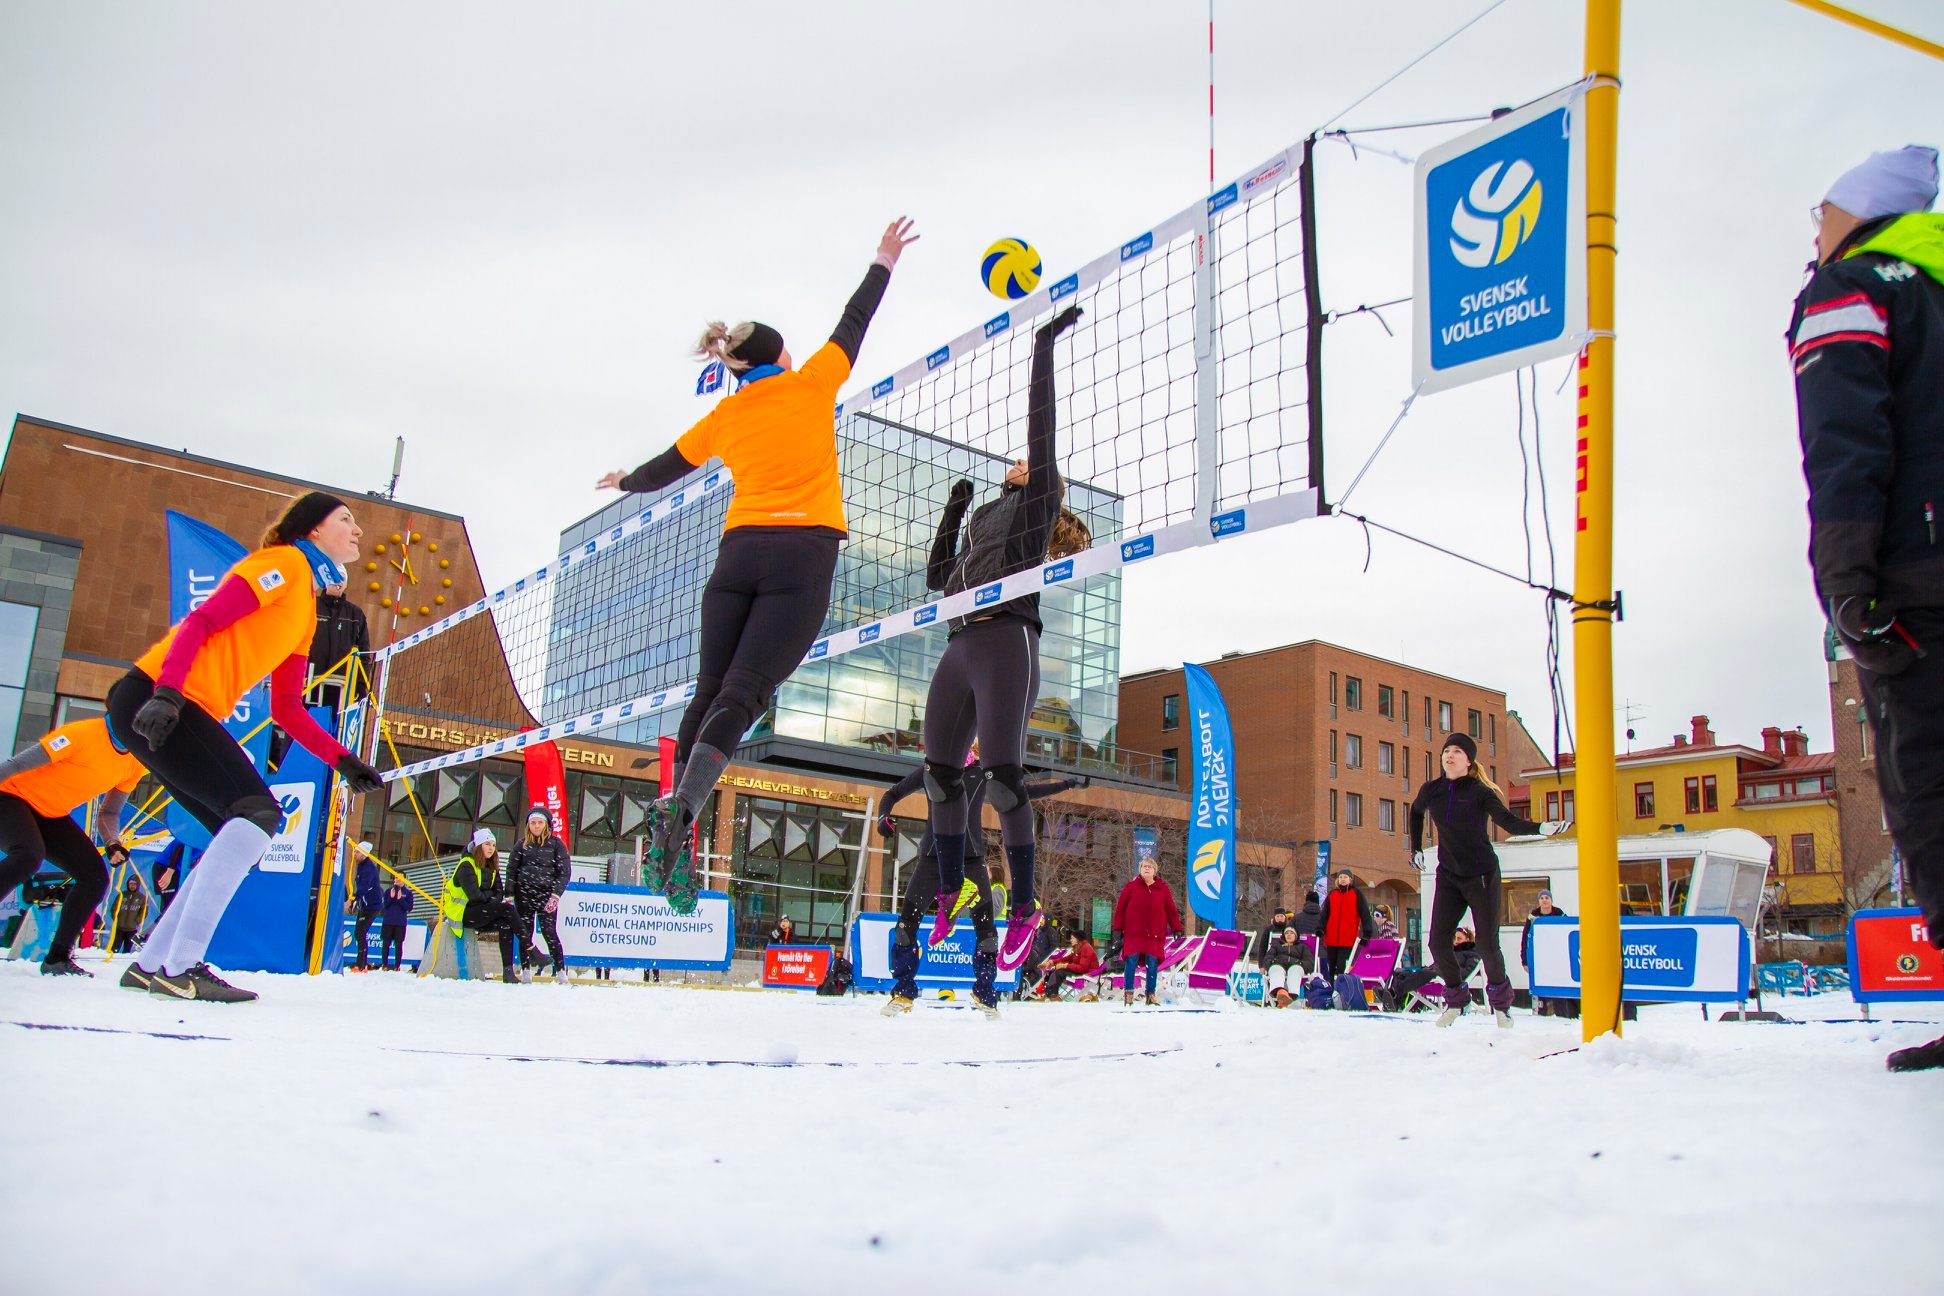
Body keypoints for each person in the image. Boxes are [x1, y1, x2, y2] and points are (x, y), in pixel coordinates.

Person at [598, 218, 919, 917]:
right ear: (782, 354)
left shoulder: (725, 417)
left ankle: (671, 817)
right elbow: (854, 321)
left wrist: (625, 482)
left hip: (737, 554)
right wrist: (883, 260)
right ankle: (680, 816)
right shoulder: (811, 383)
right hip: (800, 556)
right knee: (742, 697)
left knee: (710, 690)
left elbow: (661, 469)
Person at [1790, 145, 1944, 1074]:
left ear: (1862, 215)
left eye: (1822, 212)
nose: (1813, 231)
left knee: (1925, 790)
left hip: (1918, 576)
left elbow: (1844, 444)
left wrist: (1847, 583)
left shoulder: (1852, 288)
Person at [108, 492, 385, 1002]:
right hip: (159, 696)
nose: (358, 531)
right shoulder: (282, 564)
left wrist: (342, 761)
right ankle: (182, 965)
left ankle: (150, 965)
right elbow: (201, 622)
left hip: (173, 705)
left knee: (235, 827)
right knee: (257, 812)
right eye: (347, 519)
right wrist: (167, 694)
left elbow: (286, 707)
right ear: (313, 529)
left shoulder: (305, 606)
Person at [918, 304, 1089, 965]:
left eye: (1027, 463)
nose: (1018, 461)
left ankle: (1023, 906)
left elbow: (1041, 431)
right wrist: (956, 508)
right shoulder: (986, 515)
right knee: (939, 774)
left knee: (1002, 776)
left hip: (1006, 642)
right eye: (1016, 462)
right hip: (958, 644)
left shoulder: (1036, 507)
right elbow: (940, 578)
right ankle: (957, 886)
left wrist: (1042, 346)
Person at [875, 759, 1084, 1018]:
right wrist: (882, 816)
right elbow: (892, 793)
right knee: (905, 929)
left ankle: (985, 993)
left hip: (971, 861)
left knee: (987, 935)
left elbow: (1022, 793)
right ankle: (903, 991)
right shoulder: (933, 769)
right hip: (932, 859)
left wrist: (1064, 785)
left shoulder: (983, 773)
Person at [1409, 732, 1566, 1028]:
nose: (1449, 756)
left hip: (1482, 875)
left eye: (1457, 751)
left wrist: (1541, 827)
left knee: (1487, 944)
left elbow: (1508, 822)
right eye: (1446, 751)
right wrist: (1415, 847)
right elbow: (1415, 812)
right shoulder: (1432, 790)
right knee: (1437, 942)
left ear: (1468, 761)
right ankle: (1457, 999)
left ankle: (1501, 1006)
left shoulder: (1480, 792)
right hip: (1449, 876)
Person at [0, 716, 145, 976]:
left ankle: (57, 958)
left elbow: (109, 813)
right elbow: (16, 764)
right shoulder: (81, 734)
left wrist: (113, 843)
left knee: (95, 878)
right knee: (28, 856)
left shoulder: (135, 762)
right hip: (10, 797)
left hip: (51, 814)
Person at [439, 827, 520, 983]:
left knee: (506, 924)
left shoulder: (492, 866)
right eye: (487, 844)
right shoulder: (466, 865)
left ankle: (508, 971)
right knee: (507, 908)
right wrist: (491, 897)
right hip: (463, 914)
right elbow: (475, 896)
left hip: (481, 910)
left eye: (493, 845)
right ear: (478, 846)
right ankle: (530, 948)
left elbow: (499, 892)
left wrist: (490, 898)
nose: (491, 848)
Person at [509, 806, 571, 981]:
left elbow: (564, 872)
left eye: (540, 823)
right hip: (524, 895)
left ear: (547, 824)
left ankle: (560, 972)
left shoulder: (557, 845)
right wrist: (509, 894)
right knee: (525, 933)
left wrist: (556, 895)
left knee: (549, 932)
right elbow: (511, 870)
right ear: (528, 825)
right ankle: (526, 971)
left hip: (547, 896)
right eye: (533, 823)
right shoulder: (521, 844)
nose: (536, 826)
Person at [1112, 855, 1182, 1007]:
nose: (1147, 868)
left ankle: (1150, 995)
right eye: (1144, 866)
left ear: (1154, 871)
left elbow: (1171, 910)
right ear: (1140, 870)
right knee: (1131, 962)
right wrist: (1117, 929)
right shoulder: (1131, 887)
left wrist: (1177, 928)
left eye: (1150, 866)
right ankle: (1128, 994)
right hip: (1134, 933)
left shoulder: (1162, 889)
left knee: (1152, 963)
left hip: (1154, 935)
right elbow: (1120, 909)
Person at [308, 580, 371, 708]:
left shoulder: (355, 614)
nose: (337, 582)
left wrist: (360, 684)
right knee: (305, 722)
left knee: (335, 725)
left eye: (341, 578)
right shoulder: (311, 605)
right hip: (309, 681)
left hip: (342, 685)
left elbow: (363, 652)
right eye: (333, 577)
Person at [1520, 890, 1572, 1015]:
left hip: (1558, 958)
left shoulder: (1560, 914)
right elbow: (1525, 939)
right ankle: (1542, 1015)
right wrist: (1525, 961)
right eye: (1542, 898)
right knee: (1541, 989)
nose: (1544, 900)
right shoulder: (1533, 916)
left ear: (1551, 900)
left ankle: (1562, 1015)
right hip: (1540, 958)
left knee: (1559, 989)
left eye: (1547, 898)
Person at [1318, 870, 1373, 978]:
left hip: (1348, 938)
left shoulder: (1357, 894)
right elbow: (1324, 914)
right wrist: (1320, 928)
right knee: (1331, 967)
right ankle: (1332, 989)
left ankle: (1341, 989)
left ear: (1350, 880)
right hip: (1331, 938)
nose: (1343, 879)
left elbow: (1365, 915)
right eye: (1341, 877)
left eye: (1345, 877)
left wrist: (1367, 934)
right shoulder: (1332, 894)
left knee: (1342, 966)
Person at [1032, 930, 1098, 1000]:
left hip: (1086, 974)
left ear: (1078, 939)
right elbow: (1067, 959)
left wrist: (1064, 966)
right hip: (1079, 971)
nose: (1071, 940)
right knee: (1051, 972)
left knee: (1058, 973)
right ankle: (1047, 995)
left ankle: (1053, 996)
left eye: (1072, 938)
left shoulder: (1086, 948)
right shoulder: (1078, 947)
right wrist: (1050, 963)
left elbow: (1083, 968)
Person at [349, 848, 382, 971]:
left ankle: (361, 965)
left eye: (357, 852)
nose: (354, 854)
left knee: (360, 932)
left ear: (364, 854)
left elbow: (364, 886)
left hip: (372, 905)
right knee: (359, 933)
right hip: (366, 904)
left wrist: (356, 899)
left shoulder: (368, 868)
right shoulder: (361, 865)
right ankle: (360, 963)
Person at [1262, 927, 1311, 1007]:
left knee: (1296, 970)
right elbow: (1267, 958)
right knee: (1275, 969)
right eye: (1286, 933)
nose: (1288, 935)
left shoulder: (1302, 947)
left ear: (1296, 936)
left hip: (1295, 965)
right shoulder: (1277, 945)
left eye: (1291, 933)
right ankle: (1280, 992)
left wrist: (1301, 964)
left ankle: (1288, 996)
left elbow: (1309, 962)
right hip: (1279, 964)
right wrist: (1272, 963)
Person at [378, 872, 412, 971]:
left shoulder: (408, 893)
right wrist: (392, 898)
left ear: (404, 880)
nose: (397, 880)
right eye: (396, 877)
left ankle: (397, 966)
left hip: (400, 923)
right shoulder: (388, 891)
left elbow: (409, 908)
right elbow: (384, 905)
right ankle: (384, 964)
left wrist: (400, 899)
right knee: (385, 944)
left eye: (400, 878)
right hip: (388, 921)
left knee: (399, 945)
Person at [110, 875, 148, 953]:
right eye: (131, 884)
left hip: (131, 929)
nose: (132, 886)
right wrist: (117, 919)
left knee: (127, 951)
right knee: (114, 950)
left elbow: (144, 912)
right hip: (119, 928)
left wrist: (137, 921)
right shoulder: (121, 895)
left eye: (134, 884)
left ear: (137, 885)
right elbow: (114, 909)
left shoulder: (142, 897)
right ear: (128, 884)